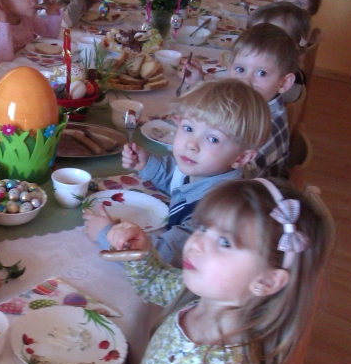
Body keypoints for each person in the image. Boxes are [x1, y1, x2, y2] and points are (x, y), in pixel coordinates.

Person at [3, 178, 331, 364]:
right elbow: (156, 283)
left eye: (224, 242)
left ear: (266, 282)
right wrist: (141, 254)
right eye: (203, 227)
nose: (197, 243)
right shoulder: (209, 299)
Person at [84, 79, 270, 268]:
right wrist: (147, 163)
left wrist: (106, 234)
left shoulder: (216, 211)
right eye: (188, 128)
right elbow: (175, 176)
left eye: (213, 139)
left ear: (241, 157)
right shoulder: (205, 169)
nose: (191, 144)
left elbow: (163, 257)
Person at [181, 23, 298, 178]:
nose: (246, 80)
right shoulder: (249, 106)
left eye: (261, 73)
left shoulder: (267, 126)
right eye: (240, 69)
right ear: (229, 69)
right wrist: (199, 83)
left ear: (284, 83)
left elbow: (236, 177)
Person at [247, 2, 311, 103]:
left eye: (272, 37)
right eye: (255, 35)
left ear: (301, 40)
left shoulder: (288, 84)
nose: (260, 42)